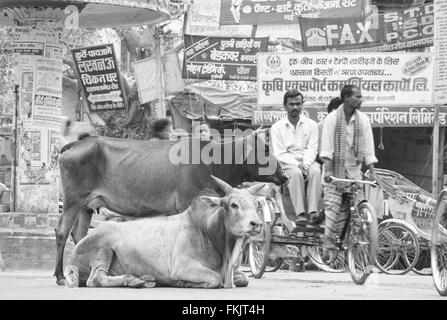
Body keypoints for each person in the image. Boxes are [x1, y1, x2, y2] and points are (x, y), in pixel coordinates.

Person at [320, 85, 377, 248]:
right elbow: (326, 148)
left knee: (356, 212)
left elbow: (368, 150)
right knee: (333, 210)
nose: (361, 100)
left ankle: (352, 247)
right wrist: (329, 170)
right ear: (346, 98)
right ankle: (327, 246)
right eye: (357, 96)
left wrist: (372, 172)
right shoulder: (331, 119)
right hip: (335, 174)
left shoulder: (363, 120)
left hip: (354, 173)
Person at [271, 90, 322, 226]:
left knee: (316, 171)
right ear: (285, 106)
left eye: (298, 104)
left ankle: (313, 212)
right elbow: (279, 153)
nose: (295, 107)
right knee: (295, 174)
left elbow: (312, 148)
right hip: (287, 162)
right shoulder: (277, 127)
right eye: (291, 104)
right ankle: (300, 213)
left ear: (302, 105)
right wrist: (296, 164)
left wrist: (305, 165)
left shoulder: (312, 125)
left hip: (308, 160)